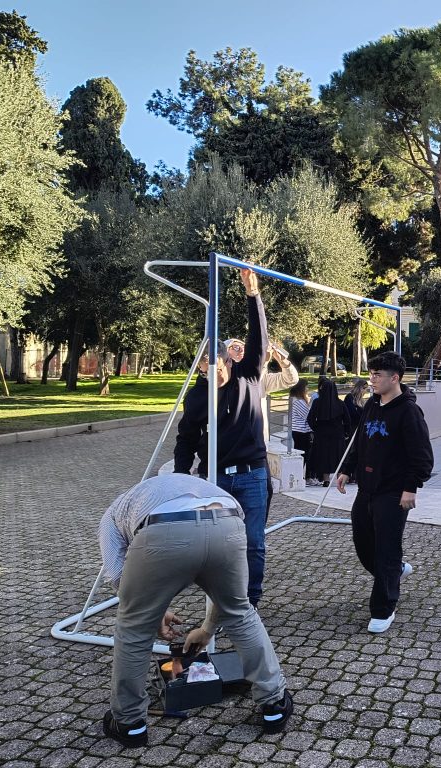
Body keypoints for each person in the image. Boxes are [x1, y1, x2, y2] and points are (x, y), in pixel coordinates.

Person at [98, 473, 293, 748]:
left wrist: (150, 613)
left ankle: (129, 723)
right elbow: (223, 595)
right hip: (227, 520)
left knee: (133, 628)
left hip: (163, 528)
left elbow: (119, 576)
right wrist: (207, 629)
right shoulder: (185, 486)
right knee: (240, 612)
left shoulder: (113, 514)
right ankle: (275, 705)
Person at [174, 268, 272, 607]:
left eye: (217, 367)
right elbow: (186, 437)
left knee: (253, 542)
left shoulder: (248, 376)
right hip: (214, 478)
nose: (213, 375)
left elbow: (259, 339)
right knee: (216, 544)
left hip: (251, 474)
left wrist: (253, 294)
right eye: (205, 370)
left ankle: (250, 602)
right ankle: (221, 602)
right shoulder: (199, 395)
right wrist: (181, 475)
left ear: (228, 360)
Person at [337, 352, 434, 634]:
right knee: (363, 543)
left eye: (378, 375)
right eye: (371, 374)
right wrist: (347, 469)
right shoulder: (371, 405)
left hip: (393, 492)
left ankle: (383, 608)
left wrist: (410, 488)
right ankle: (395, 571)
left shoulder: (409, 412)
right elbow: (360, 441)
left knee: (386, 550)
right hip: (366, 489)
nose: (372, 379)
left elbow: (422, 456)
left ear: (395, 378)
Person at [224, 337, 300, 515]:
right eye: (235, 347)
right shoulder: (225, 376)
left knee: (266, 492)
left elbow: (291, 380)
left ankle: (257, 529)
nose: (241, 350)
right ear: (225, 354)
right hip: (230, 450)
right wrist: (263, 361)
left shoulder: (262, 378)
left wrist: (281, 359)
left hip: (257, 448)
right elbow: (248, 380)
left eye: (243, 347)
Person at [307, 378, 351, 486]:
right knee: (338, 457)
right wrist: (346, 432)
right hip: (337, 434)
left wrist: (316, 429)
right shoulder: (340, 403)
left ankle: (326, 480)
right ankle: (339, 479)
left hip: (322, 434)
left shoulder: (317, 402)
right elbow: (347, 420)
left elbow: (310, 418)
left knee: (324, 457)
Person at [288, 380, 317, 486]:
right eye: (306, 387)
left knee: (304, 454)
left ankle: (301, 477)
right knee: (305, 455)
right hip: (301, 432)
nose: (307, 389)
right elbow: (308, 415)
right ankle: (302, 477)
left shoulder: (295, 399)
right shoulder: (298, 402)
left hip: (299, 431)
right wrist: (312, 403)